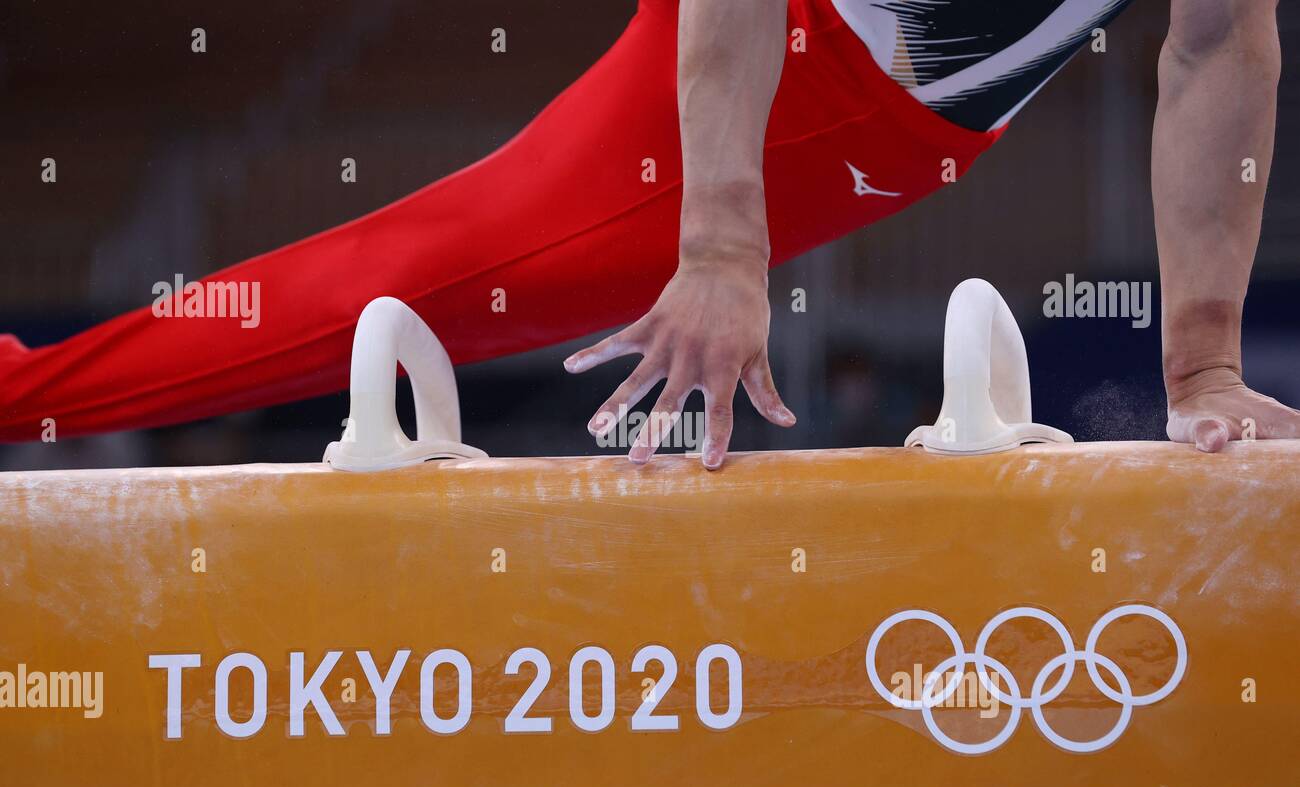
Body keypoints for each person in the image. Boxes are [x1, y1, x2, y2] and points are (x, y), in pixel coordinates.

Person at [1, 0, 1296, 467]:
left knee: (411, 279)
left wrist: (1204, 367)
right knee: (403, 290)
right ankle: (20, 396)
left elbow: (1216, 45)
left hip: (878, 133)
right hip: (781, 77)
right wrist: (724, 241)